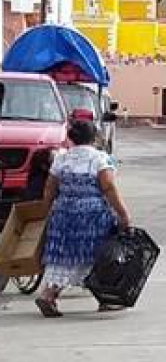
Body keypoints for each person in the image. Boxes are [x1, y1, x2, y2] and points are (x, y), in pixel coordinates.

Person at [34, 120, 132, 318]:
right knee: (100, 256)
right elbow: (109, 188)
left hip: (63, 213)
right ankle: (106, 299)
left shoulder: (61, 159)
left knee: (62, 257)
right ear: (94, 137)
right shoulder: (100, 159)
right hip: (92, 215)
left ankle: (48, 295)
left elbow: (50, 188)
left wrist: (46, 212)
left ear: (71, 137)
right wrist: (123, 214)